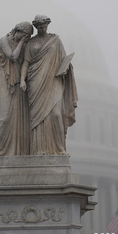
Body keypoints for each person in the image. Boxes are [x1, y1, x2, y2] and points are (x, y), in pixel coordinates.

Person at [20, 15, 78, 155]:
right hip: (35, 82)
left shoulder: (56, 41)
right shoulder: (31, 43)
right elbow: (26, 63)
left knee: (56, 114)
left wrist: (66, 68)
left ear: (48, 25)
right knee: (37, 119)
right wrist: (22, 80)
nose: (42, 28)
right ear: (35, 27)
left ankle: (59, 149)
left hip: (54, 81)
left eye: (44, 26)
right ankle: (38, 149)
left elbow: (64, 60)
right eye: (39, 27)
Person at [0, 22, 33, 156]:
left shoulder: (24, 44)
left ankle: (18, 151)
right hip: (6, 80)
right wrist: (22, 42)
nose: (26, 38)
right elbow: (13, 57)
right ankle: (1, 151)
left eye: (28, 37)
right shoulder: (4, 41)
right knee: (5, 118)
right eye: (24, 35)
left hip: (17, 82)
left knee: (19, 118)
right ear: (17, 31)